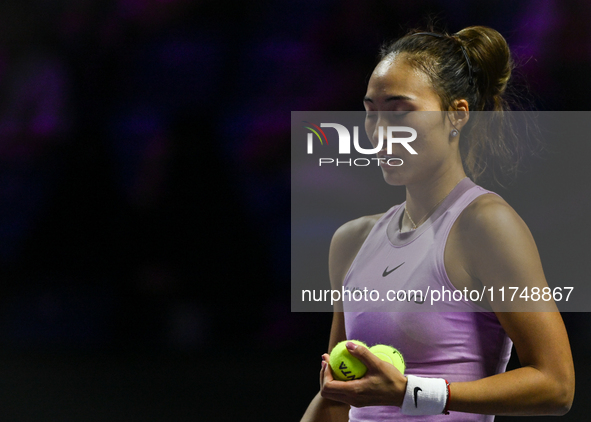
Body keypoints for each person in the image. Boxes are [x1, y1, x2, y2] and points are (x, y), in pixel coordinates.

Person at [300, 26, 575, 421]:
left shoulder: (487, 225)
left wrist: (411, 392)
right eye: (370, 111)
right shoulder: (350, 240)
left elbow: (556, 385)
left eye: (400, 110)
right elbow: (338, 398)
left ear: (456, 116)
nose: (379, 132)